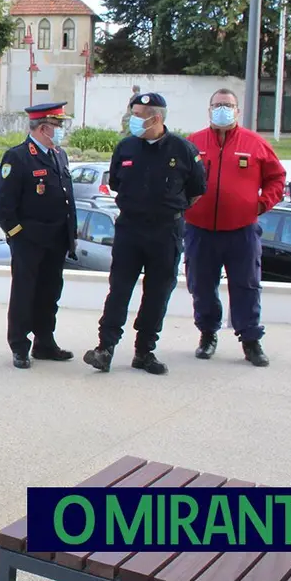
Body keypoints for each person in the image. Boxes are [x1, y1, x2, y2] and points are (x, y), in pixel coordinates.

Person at [84, 92, 207, 375]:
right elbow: (116, 182)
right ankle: (105, 348)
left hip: (165, 231)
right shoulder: (126, 147)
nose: (133, 119)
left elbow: (197, 190)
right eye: (132, 113)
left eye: (139, 115)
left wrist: (167, 209)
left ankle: (144, 351)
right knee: (119, 290)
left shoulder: (183, 150)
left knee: (157, 293)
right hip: (130, 229)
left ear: (157, 117)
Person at [185, 88, 286, 367]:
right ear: (209, 109)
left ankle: (250, 340)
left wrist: (261, 204)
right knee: (201, 285)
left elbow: (277, 179)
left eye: (228, 105)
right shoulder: (193, 143)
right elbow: (176, 179)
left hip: (242, 230)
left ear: (237, 111)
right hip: (200, 229)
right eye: (217, 105)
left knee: (246, 285)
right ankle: (207, 334)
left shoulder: (254, 144)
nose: (222, 109)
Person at [0, 103, 79, 369]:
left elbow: (67, 198)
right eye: (58, 126)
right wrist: (17, 235)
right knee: (24, 293)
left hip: (56, 238)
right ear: (44, 128)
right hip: (29, 239)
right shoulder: (18, 157)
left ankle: (45, 341)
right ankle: (20, 345)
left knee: (50, 292)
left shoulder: (59, 155)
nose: (61, 131)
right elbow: (4, 204)